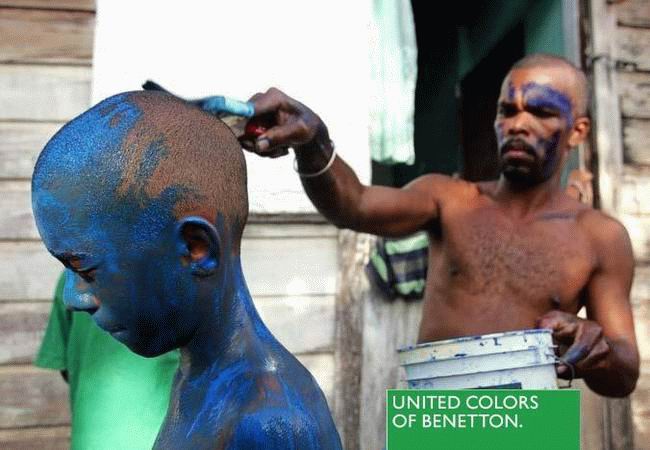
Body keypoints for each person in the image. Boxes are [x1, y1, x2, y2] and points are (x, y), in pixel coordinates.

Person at [241, 54, 640, 398]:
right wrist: (313, 143)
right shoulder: (450, 200)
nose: (518, 124)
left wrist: (596, 348)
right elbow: (354, 204)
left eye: (540, 112)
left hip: (531, 424)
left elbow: (624, 374)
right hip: (437, 418)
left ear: (578, 131)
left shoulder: (599, 237)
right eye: (507, 110)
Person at [31, 91, 342, 449]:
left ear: (196, 249)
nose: (72, 298)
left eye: (85, 271)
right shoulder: (196, 377)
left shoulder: (269, 423)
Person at [35, 272, 179, 450]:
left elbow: (65, 366)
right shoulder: (176, 273)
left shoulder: (70, 276)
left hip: (92, 439)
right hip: (162, 436)